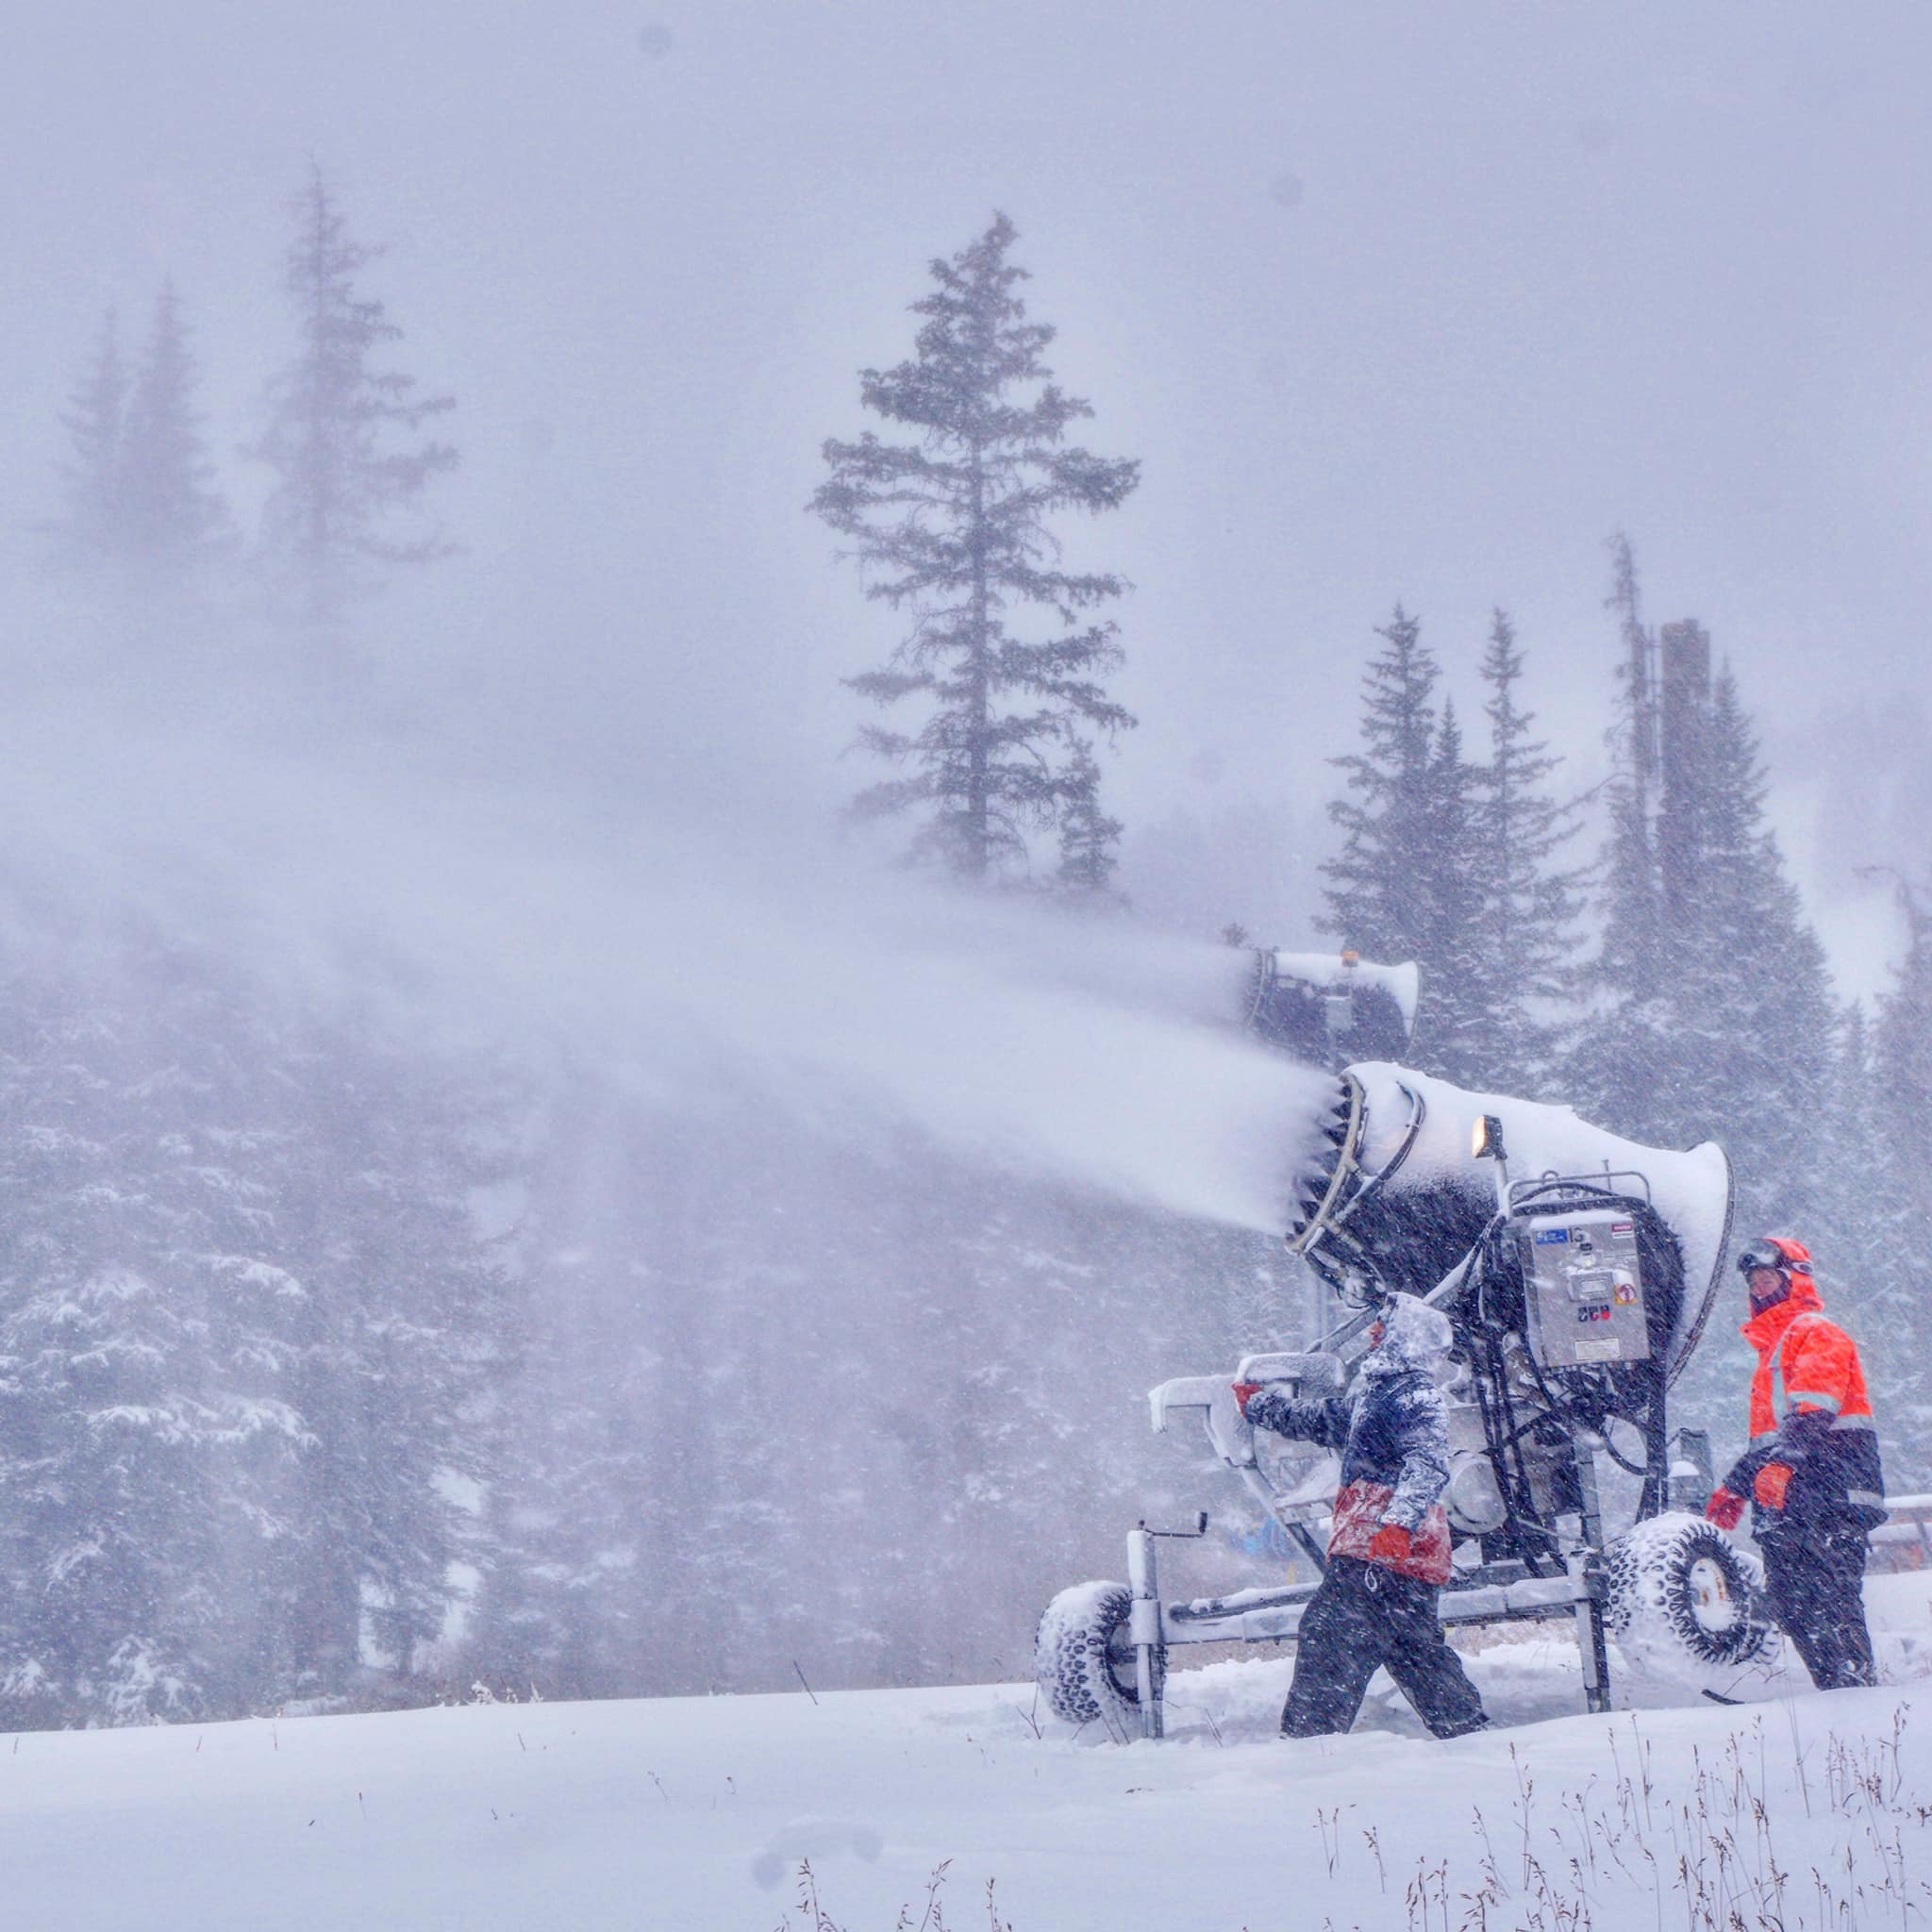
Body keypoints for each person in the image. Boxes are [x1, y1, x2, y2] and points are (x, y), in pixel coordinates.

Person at [1237, 1292, 1488, 1740]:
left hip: (1384, 1545)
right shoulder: (1376, 1396)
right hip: (1390, 1550)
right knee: (1413, 1646)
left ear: (1404, 1338)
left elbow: (1427, 1466)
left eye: (1382, 1326)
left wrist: (1397, 1525)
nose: (1372, 1333)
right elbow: (1318, 1419)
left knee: (1330, 1634)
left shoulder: (1418, 1396)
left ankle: (1309, 1746)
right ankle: (1468, 1733)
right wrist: (1259, 1406)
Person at [1706, 1236, 1886, 1690]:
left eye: (1769, 1278)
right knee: (1791, 1602)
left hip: (1830, 1494)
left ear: (1795, 1280)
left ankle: (1856, 1690)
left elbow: (1816, 1410)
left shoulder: (1815, 1331)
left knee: (1832, 1596)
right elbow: (1771, 1440)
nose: (1761, 1288)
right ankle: (1835, 1689)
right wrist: (1736, 1487)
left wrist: (1783, 1466)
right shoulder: (1772, 1354)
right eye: (1755, 1282)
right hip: (1792, 1502)